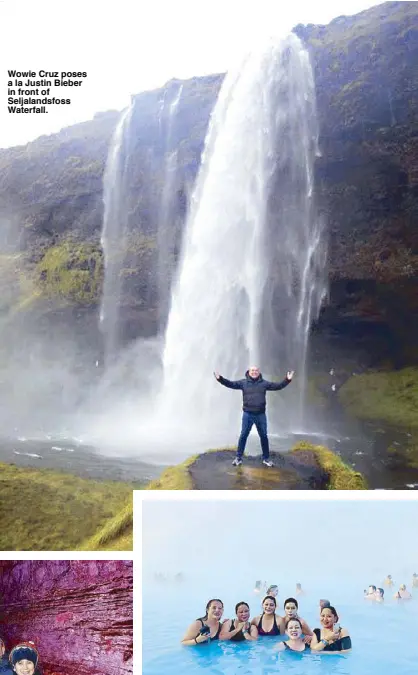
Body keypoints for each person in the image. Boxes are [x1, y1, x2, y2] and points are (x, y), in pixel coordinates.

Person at [214, 367, 294, 467]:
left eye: (256, 371)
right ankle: (238, 458)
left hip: (260, 415)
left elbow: (277, 386)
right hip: (248, 414)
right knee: (243, 436)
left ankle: (266, 459)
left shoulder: (264, 383)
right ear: (249, 372)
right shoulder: (243, 383)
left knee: (264, 436)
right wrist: (219, 378)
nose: (254, 372)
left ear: (259, 372)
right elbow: (230, 384)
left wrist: (287, 379)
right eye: (252, 371)